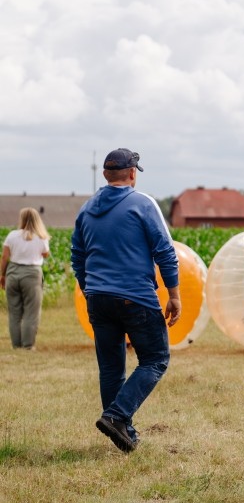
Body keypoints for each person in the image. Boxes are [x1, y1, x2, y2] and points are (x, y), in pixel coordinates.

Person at [70, 148, 181, 453]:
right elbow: (165, 251)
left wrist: (90, 289)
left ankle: (124, 432)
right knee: (156, 359)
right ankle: (117, 416)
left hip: (98, 299)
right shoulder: (143, 203)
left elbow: (77, 257)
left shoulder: (86, 208)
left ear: (106, 175)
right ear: (132, 173)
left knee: (110, 368)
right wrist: (173, 295)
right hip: (136, 298)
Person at [2, 207, 52, 349]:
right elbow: (46, 254)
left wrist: (2, 275)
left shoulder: (12, 235)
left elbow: (5, 256)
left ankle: (16, 345)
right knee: (31, 311)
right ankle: (28, 345)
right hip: (32, 274)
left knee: (14, 312)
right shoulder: (41, 237)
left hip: (12, 272)